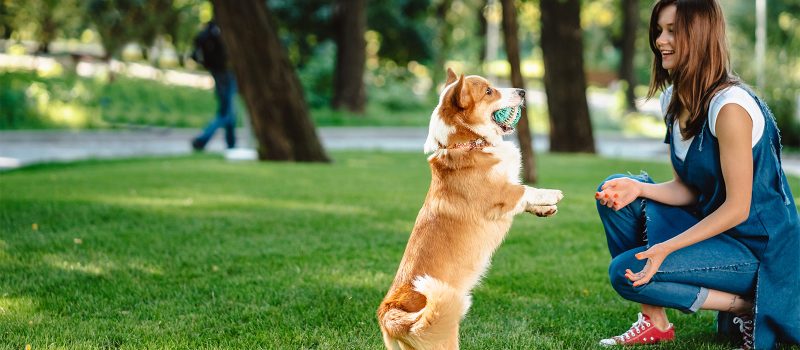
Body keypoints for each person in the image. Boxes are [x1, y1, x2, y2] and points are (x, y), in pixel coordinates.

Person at [594, 0, 800, 349]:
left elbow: (738, 208)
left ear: (701, 36)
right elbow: (688, 189)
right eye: (659, 30)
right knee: (615, 194)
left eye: (672, 31)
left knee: (622, 272)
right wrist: (638, 190)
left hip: (761, 251)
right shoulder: (673, 100)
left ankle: (749, 306)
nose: (660, 40)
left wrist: (665, 248)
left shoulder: (730, 108)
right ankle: (654, 321)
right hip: (716, 232)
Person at [190, 20, 237, 151]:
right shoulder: (221, 29)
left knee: (228, 109)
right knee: (227, 112)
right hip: (225, 73)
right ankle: (202, 139)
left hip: (217, 72)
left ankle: (231, 144)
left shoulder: (210, 30)